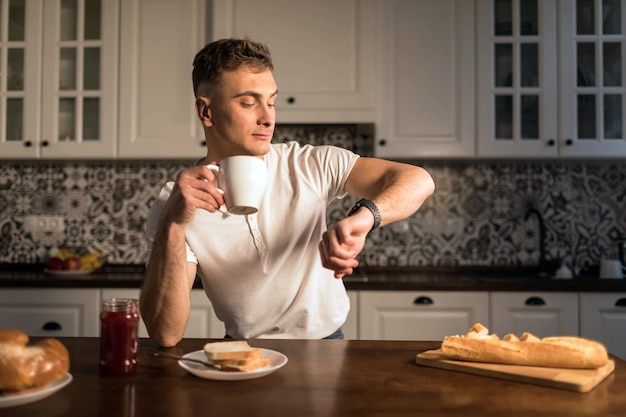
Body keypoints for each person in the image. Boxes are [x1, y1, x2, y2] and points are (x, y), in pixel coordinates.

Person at [140, 37, 435, 347]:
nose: (268, 118)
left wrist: (363, 220)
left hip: (328, 346)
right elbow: (165, 333)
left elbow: (418, 180)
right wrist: (173, 225)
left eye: (271, 101)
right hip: (242, 353)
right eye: (248, 102)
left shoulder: (309, 163)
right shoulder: (177, 202)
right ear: (206, 111)